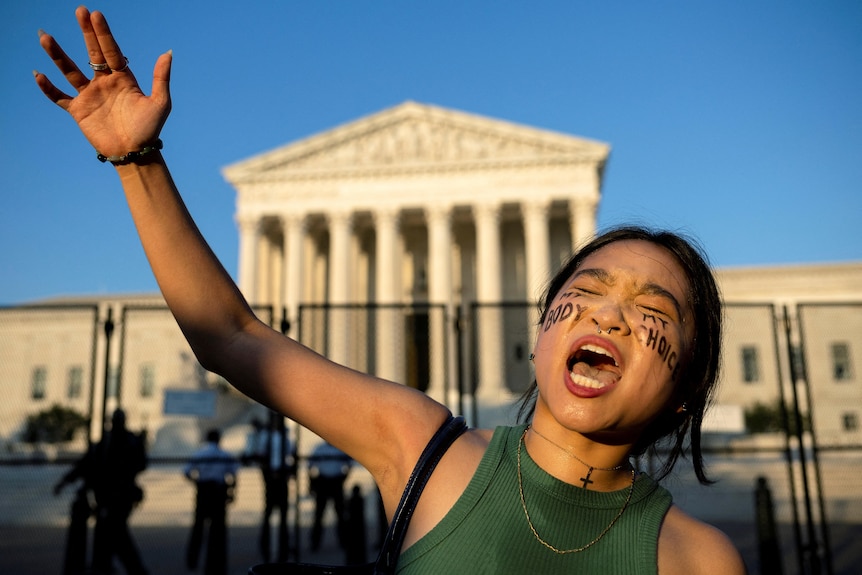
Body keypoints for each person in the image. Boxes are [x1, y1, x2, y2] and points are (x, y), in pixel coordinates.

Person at [34, 8, 747, 573]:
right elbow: (232, 335)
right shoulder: (422, 449)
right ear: (541, 329)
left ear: (687, 384)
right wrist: (136, 159)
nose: (612, 314)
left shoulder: (701, 559)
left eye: (652, 310)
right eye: (586, 290)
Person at [54, 408, 148, 575]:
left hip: (116, 496)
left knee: (115, 534)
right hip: (112, 496)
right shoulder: (118, 441)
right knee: (113, 534)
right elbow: (86, 464)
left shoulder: (116, 441)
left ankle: (119, 567)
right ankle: (109, 566)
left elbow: (86, 465)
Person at [184, 429, 240, 575]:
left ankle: (192, 560)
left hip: (204, 491)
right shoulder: (224, 455)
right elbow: (234, 473)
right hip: (218, 492)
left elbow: (187, 471)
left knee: (198, 528)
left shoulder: (200, 454)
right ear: (219, 439)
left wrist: (197, 482)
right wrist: (232, 491)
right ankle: (215, 565)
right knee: (218, 532)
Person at [243, 416, 294, 561]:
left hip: (281, 477)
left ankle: (283, 545)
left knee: (283, 513)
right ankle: (265, 544)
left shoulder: (285, 438)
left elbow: (290, 454)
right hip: (271, 477)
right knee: (269, 511)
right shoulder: (268, 436)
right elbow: (261, 453)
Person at [307, 441, 353, 551]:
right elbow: (310, 465)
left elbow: (349, 463)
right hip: (323, 482)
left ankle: (343, 542)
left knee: (340, 515)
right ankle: (315, 543)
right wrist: (312, 482)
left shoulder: (339, 448)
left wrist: (343, 477)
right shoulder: (320, 448)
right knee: (319, 515)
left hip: (336, 482)